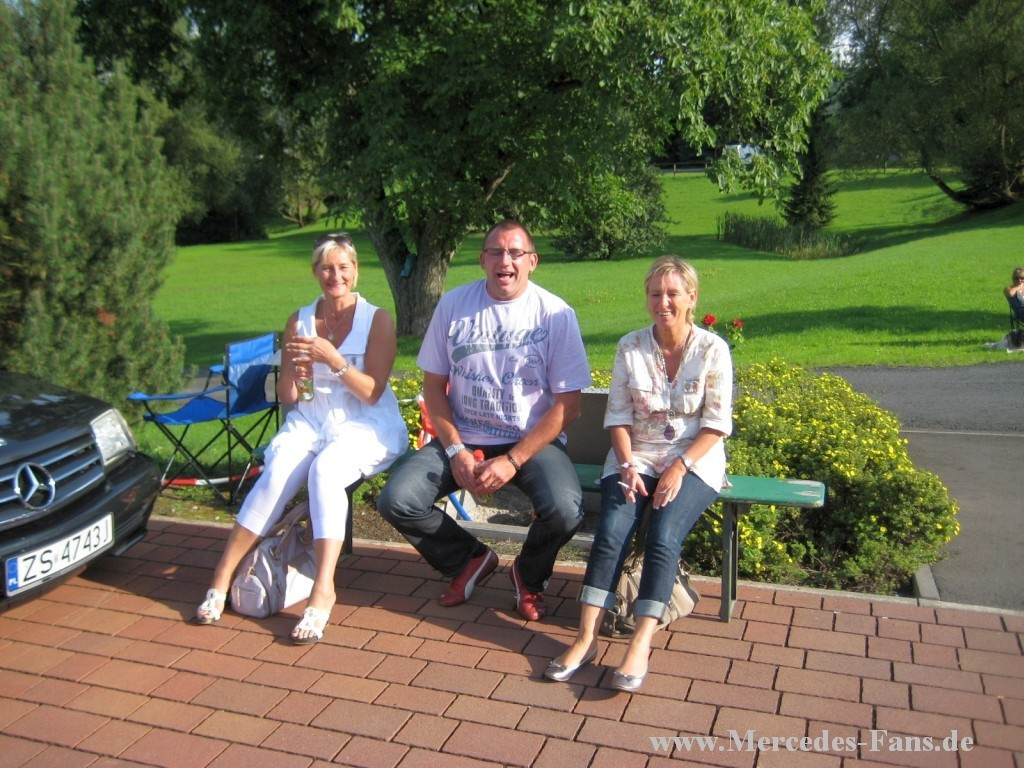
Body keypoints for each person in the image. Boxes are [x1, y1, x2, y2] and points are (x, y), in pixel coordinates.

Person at [193, 233, 408, 643]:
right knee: (275, 476)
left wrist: (334, 360)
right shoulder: (299, 320)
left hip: (364, 422)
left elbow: (372, 392)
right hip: (311, 420)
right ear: (315, 272)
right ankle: (221, 577)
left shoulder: (376, 319)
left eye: (343, 267)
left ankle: (323, 590)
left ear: (355, 271)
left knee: (326, 471)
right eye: (327, 268)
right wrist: (296, 372)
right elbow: (291, 397)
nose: (335, 276)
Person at [377, 219, 591, 621]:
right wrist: (456, 450)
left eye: (515, 253)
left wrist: (512, 460)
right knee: (397, 500)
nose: (505, 261)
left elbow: (569, 407)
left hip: (529, 442)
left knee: (565, 510)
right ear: (482, 260)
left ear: (532, 262)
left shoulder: (555, 315)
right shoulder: (454, 306)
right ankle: (468, 559)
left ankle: (529, 576)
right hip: (465, 437)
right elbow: (433, 387)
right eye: (495, 251)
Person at [545, 256, 732, 692]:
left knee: (664, 534)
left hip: (694, 460)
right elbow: (617, 417)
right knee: (612, 530)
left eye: (673, 294)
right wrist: (628, 465)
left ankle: (640, 642)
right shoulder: (630, 346)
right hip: (635, 457)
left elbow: (716, 424)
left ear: (691, 298)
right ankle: (585, 639)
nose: (663, 302)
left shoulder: (712, 349)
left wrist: (680, 467)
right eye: (655, 294)